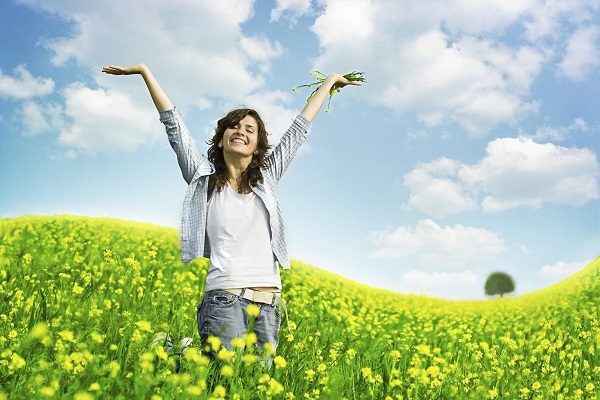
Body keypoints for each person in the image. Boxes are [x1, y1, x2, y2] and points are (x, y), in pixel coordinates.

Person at [102, 63, 360, 360]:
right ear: (221, 138)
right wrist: (144, 72)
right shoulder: (203, 178)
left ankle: (177, 352)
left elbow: (298, 131)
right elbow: (174, 127)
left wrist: (329, 82)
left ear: (257, 146)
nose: (241, 131)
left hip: (269, 303)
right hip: (225, 297)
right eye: (234, 127)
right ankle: (175, 353)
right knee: (223, 379)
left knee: (254, 381)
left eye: (250, 129)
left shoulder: (267, 178)